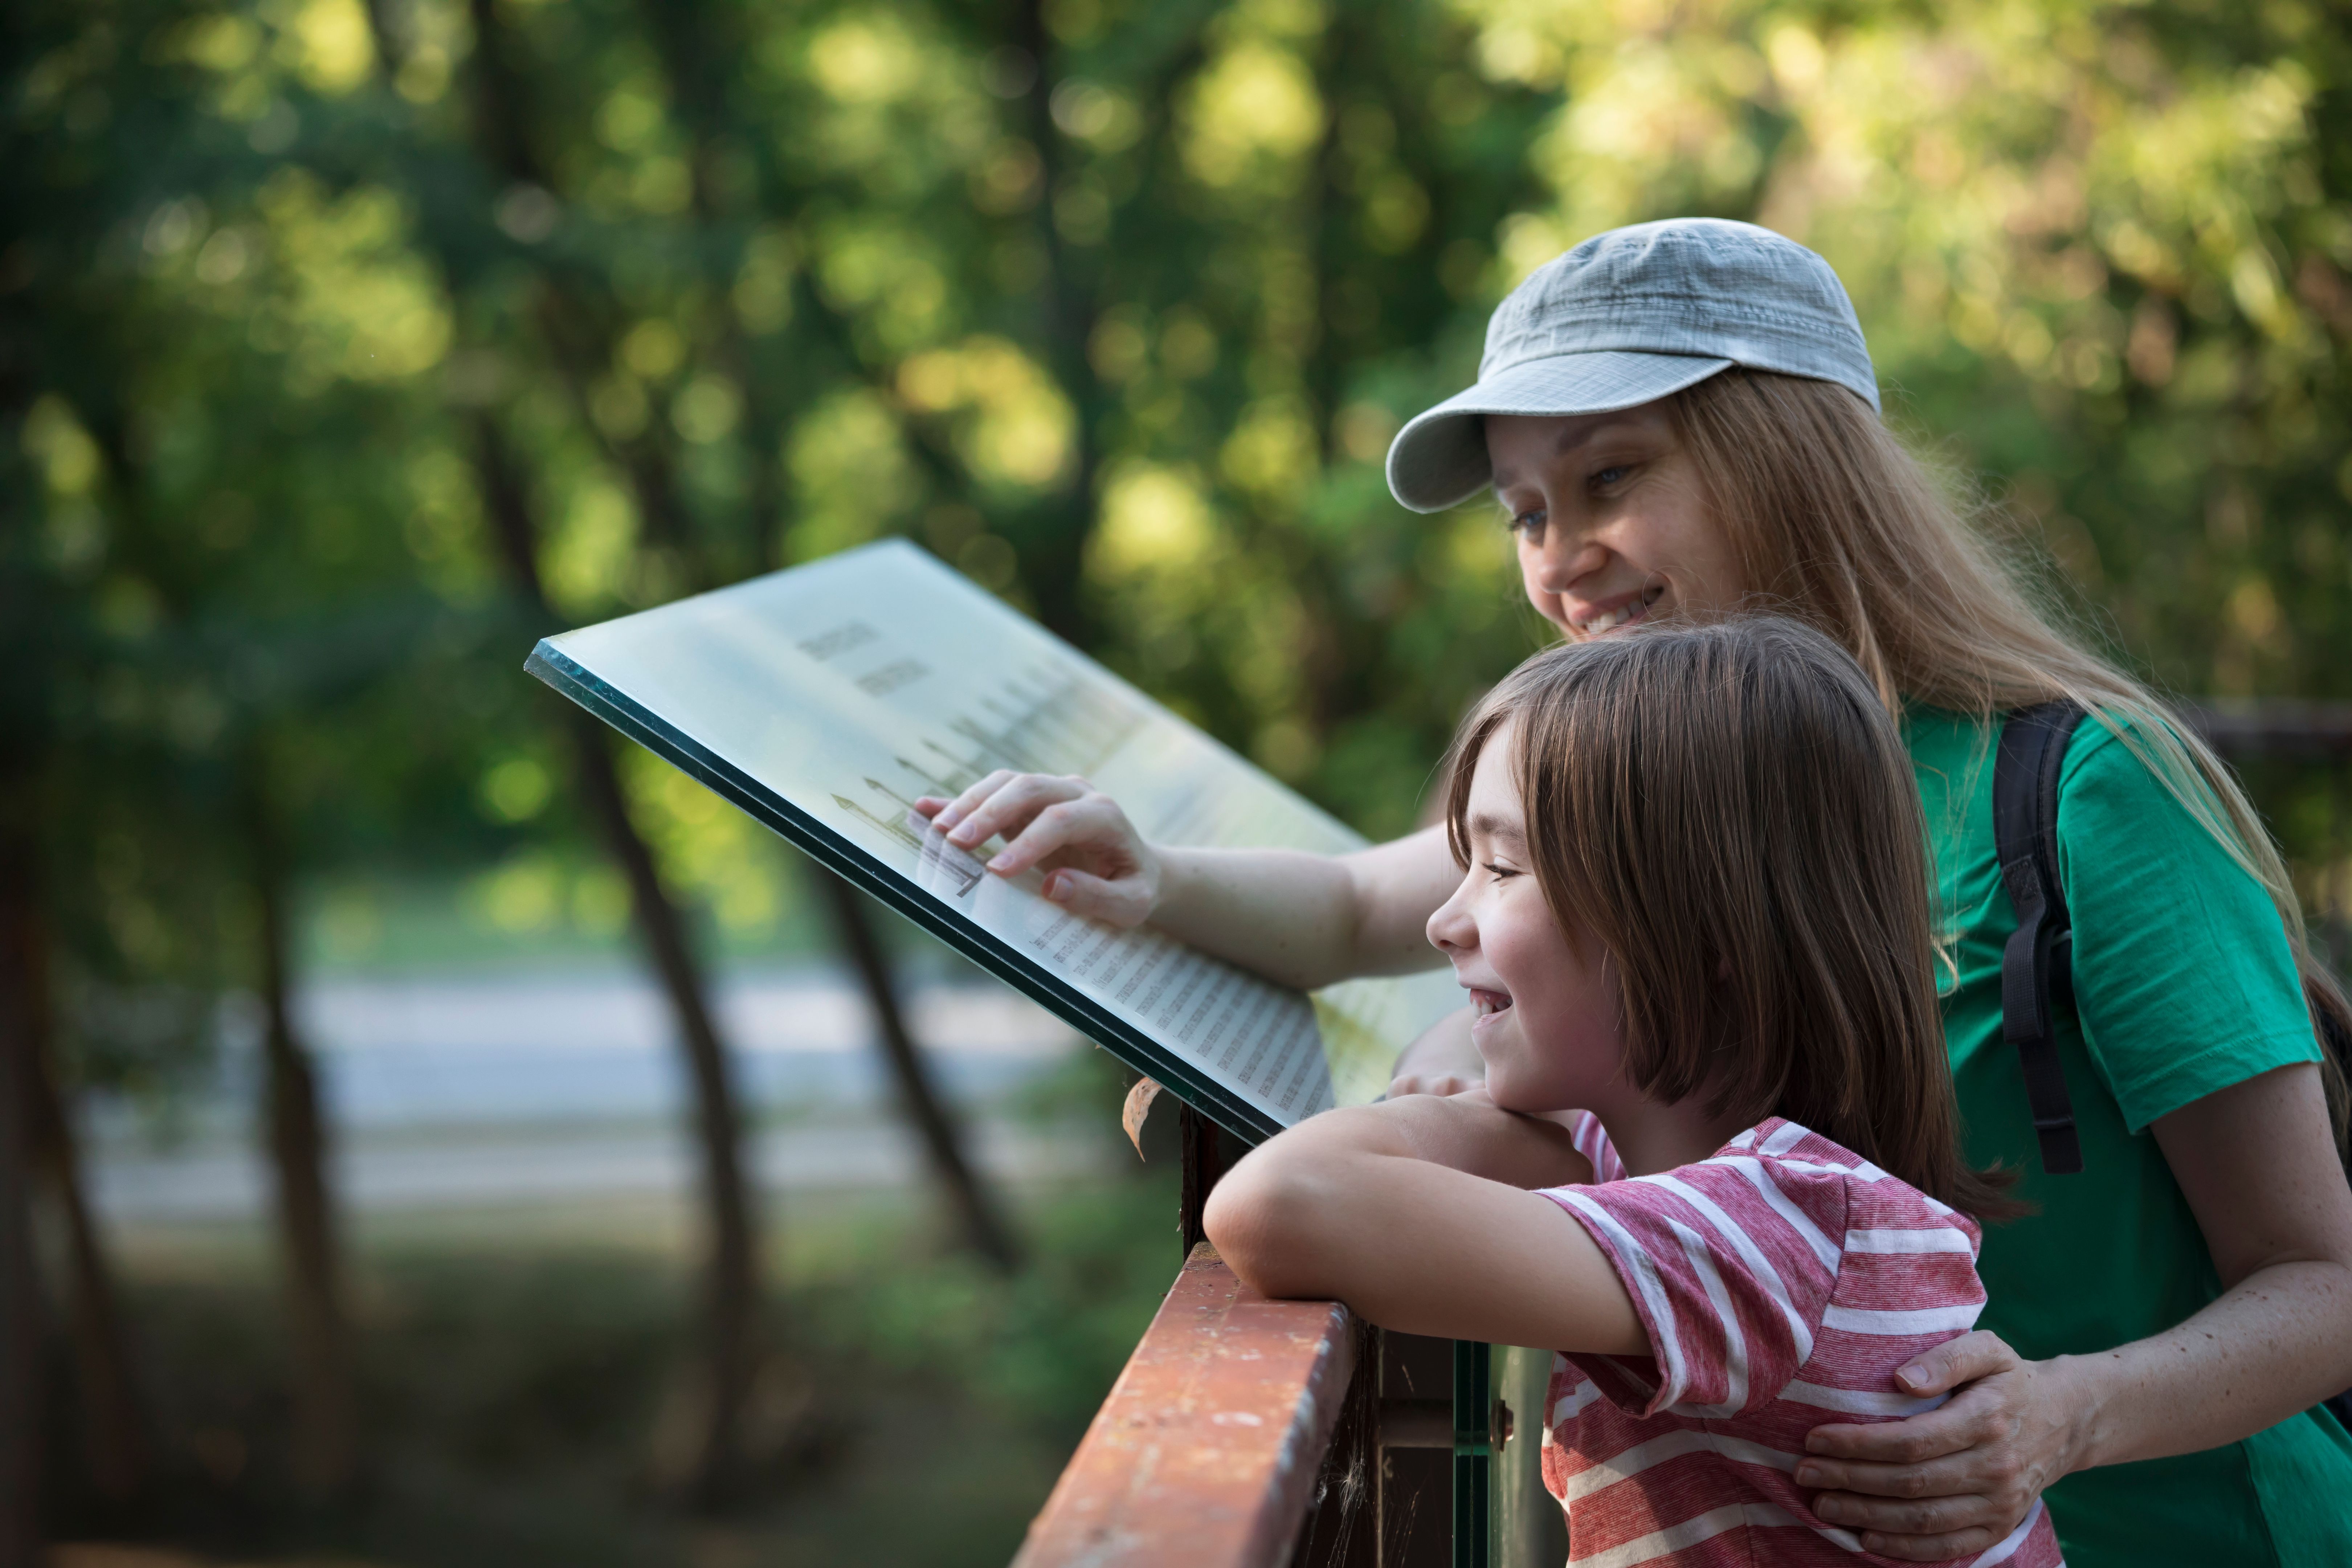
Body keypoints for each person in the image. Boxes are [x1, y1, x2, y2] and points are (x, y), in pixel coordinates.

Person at [916, 219, 2352, 1565]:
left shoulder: (2083, 790)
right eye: (1524, 513)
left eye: (1612, 480)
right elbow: (1361, 911)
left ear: (1793, 459)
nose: (1559, 555)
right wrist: (1155, 878)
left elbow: (2320, 1280)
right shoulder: (1640, 792)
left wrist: (2055, 1416)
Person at [1208, 617, 2063, 1567]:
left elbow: (1276, 1204)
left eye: (1501, 868)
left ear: (1708, 937)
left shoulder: (1769, 1230)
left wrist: (1453, 1123)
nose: (1447, 921)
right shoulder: (1695, 1180)